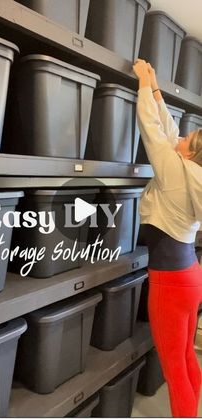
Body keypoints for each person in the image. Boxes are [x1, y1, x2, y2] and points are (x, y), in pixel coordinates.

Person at [133, 58, 202, 417]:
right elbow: (168, 132)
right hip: (190, 274)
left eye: (189, 139)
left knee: (173, 371)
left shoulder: (175, 171)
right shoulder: (192, 172)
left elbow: (152, 131)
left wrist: (144, 85)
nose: (182, 136)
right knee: (186, 356)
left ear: (191, 153)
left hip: (171, 284)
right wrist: (158, 91)